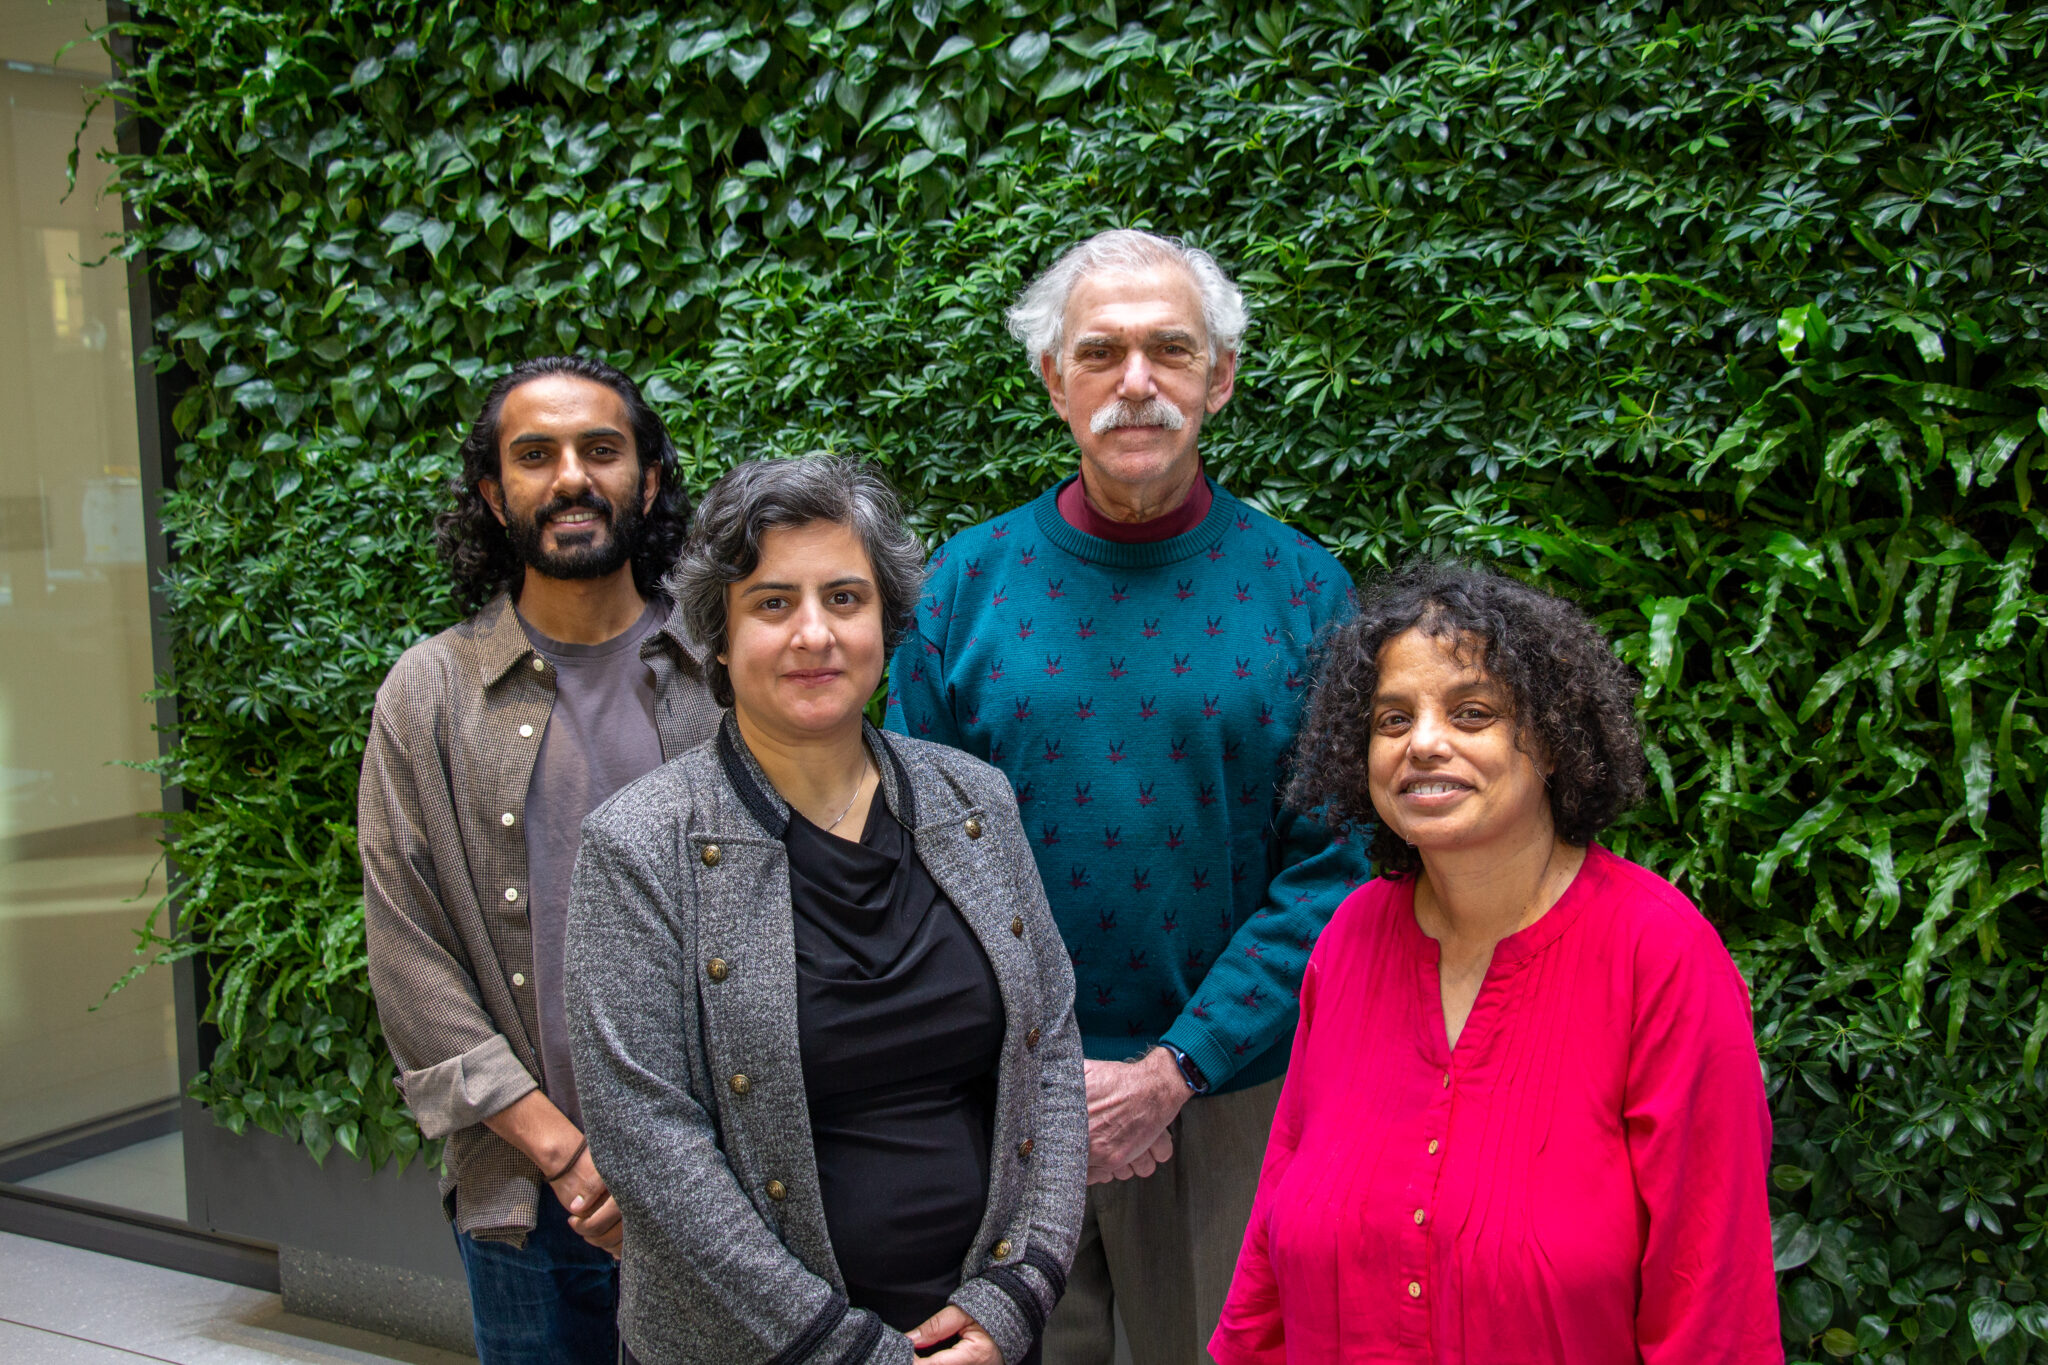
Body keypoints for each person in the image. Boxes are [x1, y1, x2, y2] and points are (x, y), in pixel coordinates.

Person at [886, 228, 1374, 1365]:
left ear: (1222, 376)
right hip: (995, 1101)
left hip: (1223, 1103)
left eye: (1169, 349)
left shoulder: (1305, 589)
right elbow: (915, 847)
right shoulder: (962, 584)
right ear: (1052, 380)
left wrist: (1172, 1069)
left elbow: (1336, 864)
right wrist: (1042, 1071)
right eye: (1100, 353)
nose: (1136, 382)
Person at [563, 455, 1087, 1365]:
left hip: (979, 1342)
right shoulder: (640, 843)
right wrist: (850, 1353)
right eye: (773, 603)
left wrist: (1015, 1298)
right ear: (718, 637)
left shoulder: (977, 802)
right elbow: (649, 1137)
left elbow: (1053, 1052)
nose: (815, 633)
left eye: (845, 598)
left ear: (887, 620)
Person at [1211, 561, 1782, 1364]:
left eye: (1472, 712)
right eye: (1392, 719)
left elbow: (1713, 1306)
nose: (1425, 743)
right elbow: (1271, 1255)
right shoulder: (1347, 942)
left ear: (1551, 738)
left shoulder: (1661, 959)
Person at [359, 356, 720, 1364]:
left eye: (600, 450)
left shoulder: (726, 667)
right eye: (535, 456)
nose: (570, 477)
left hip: (734, 1183)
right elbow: (409, 954)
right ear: (492, 492)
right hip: (533, 1195)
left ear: (646, 480)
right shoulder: (428, 695)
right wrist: (566, 1157)